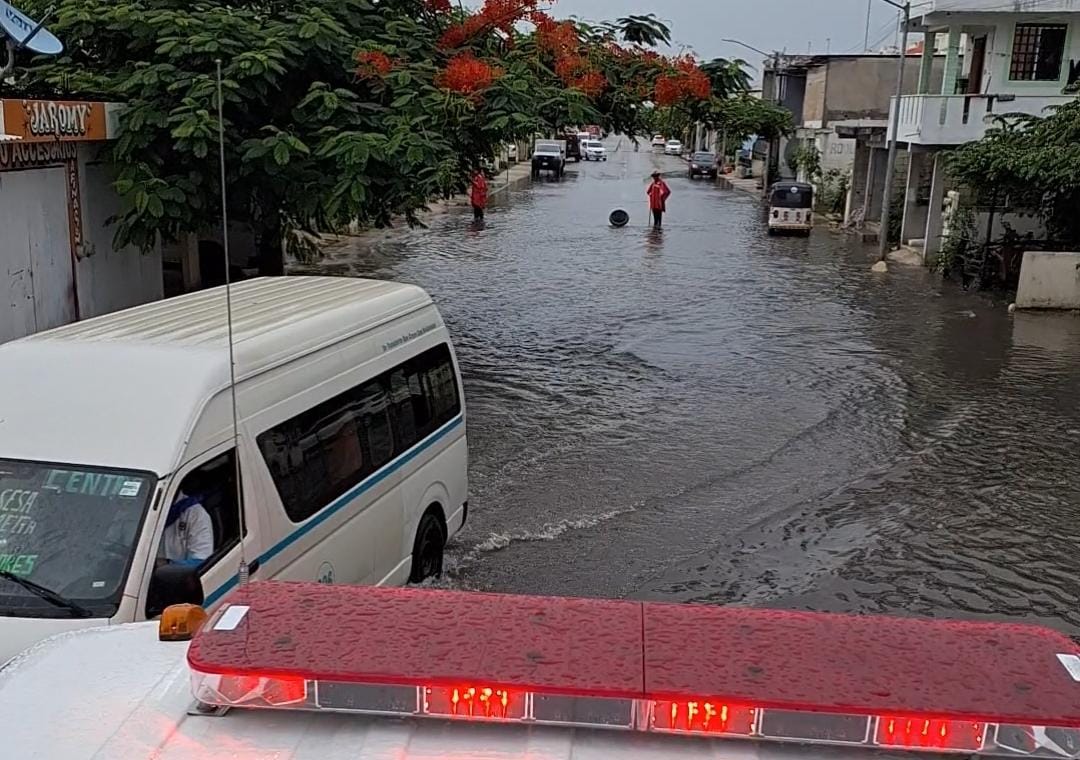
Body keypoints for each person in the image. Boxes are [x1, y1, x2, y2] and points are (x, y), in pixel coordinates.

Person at [158, 490, 214, 567]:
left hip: (178, 576)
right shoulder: (144, 509)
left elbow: (201, 562)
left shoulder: (196, 514)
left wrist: (166, 564)